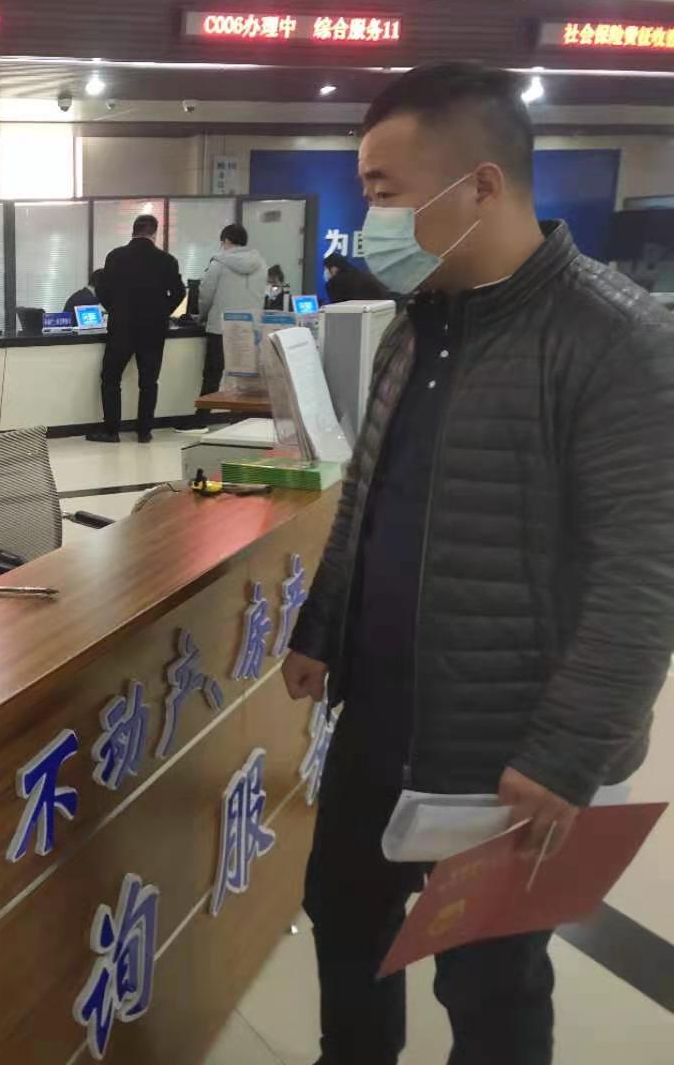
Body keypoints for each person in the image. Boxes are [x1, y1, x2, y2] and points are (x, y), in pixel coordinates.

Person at [282, 62, 674, 1065]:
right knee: (345, 918)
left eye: (383, 192)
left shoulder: (618, 342)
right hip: (379, 720)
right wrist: (322, 627)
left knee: (491, 984)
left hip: (505, 749)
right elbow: (368, 497)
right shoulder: (414, 329)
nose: (368, 222)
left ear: (482, 187)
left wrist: (565, 753)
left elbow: (644, 574)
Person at [89, 215, 185, 444]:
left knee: (111, 378)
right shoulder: (167, 260)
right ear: (155, 233)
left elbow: (101, 289)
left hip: (122, 326)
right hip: (153, 329)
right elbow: (180, 292)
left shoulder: (116, 256)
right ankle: (144, 432)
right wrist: (162, 312)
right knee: (149, 382)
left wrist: (114, 308)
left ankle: (111, 431)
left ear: (133, 231)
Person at [192, 224, 268, 428]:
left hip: (220, 328)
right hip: (250, 328)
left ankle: (201, 421)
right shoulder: (261, 264)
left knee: (212, 375)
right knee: (246, 378)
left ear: (226, 241)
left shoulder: (218, 264)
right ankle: (245, 420)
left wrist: (201, 316)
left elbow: (206, 295)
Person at [323, 252, 393, 303]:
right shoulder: (362, 275)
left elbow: (336, 309)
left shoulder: (335, 283)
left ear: (334, 268)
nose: (325, 272)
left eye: (326, 268)